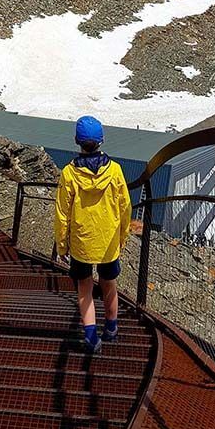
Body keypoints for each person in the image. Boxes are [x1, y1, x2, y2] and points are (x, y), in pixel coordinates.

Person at [54, 115, 131, 352]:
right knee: (109, 284)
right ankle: (111, 328)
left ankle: (90, 335)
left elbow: (62, 213)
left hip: (81, 241)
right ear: (102, 140)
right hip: (108, 241)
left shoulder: (69, 173)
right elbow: (125, 207)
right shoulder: (115, 171)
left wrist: (62, 245)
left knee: (84, 288)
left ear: (77, 141)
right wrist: (122, 237)